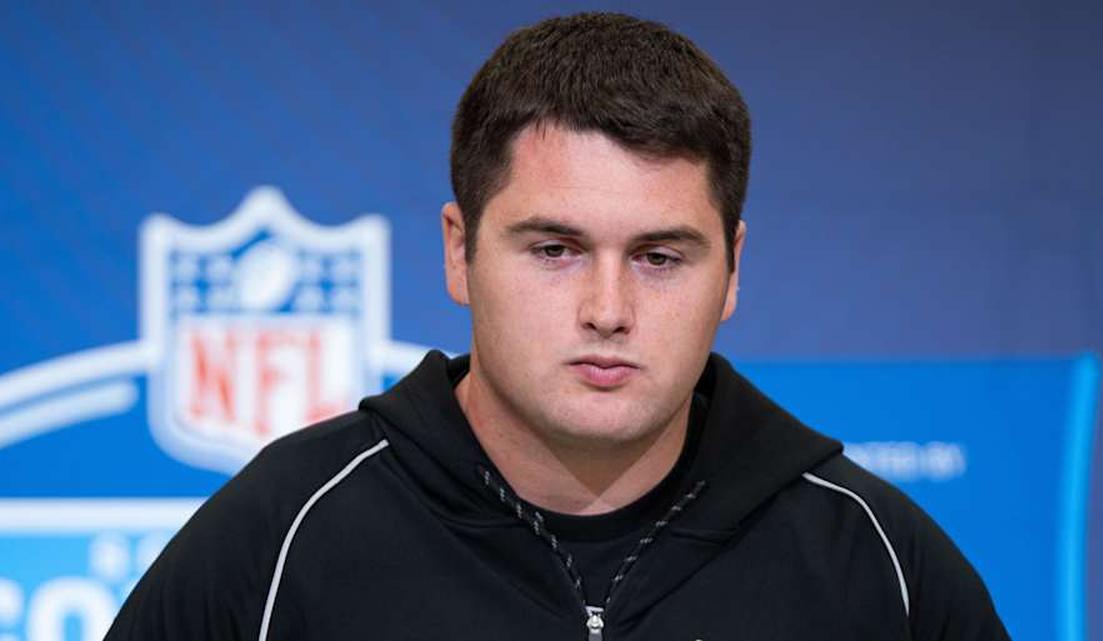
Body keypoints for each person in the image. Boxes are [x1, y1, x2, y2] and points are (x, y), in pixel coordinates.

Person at [106, 12, 1009, 641]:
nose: (607, 310)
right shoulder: (283, 533)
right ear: (459, 252)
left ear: (732, 269)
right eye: (554, 249)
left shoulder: (872, 558)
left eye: (660, 256)